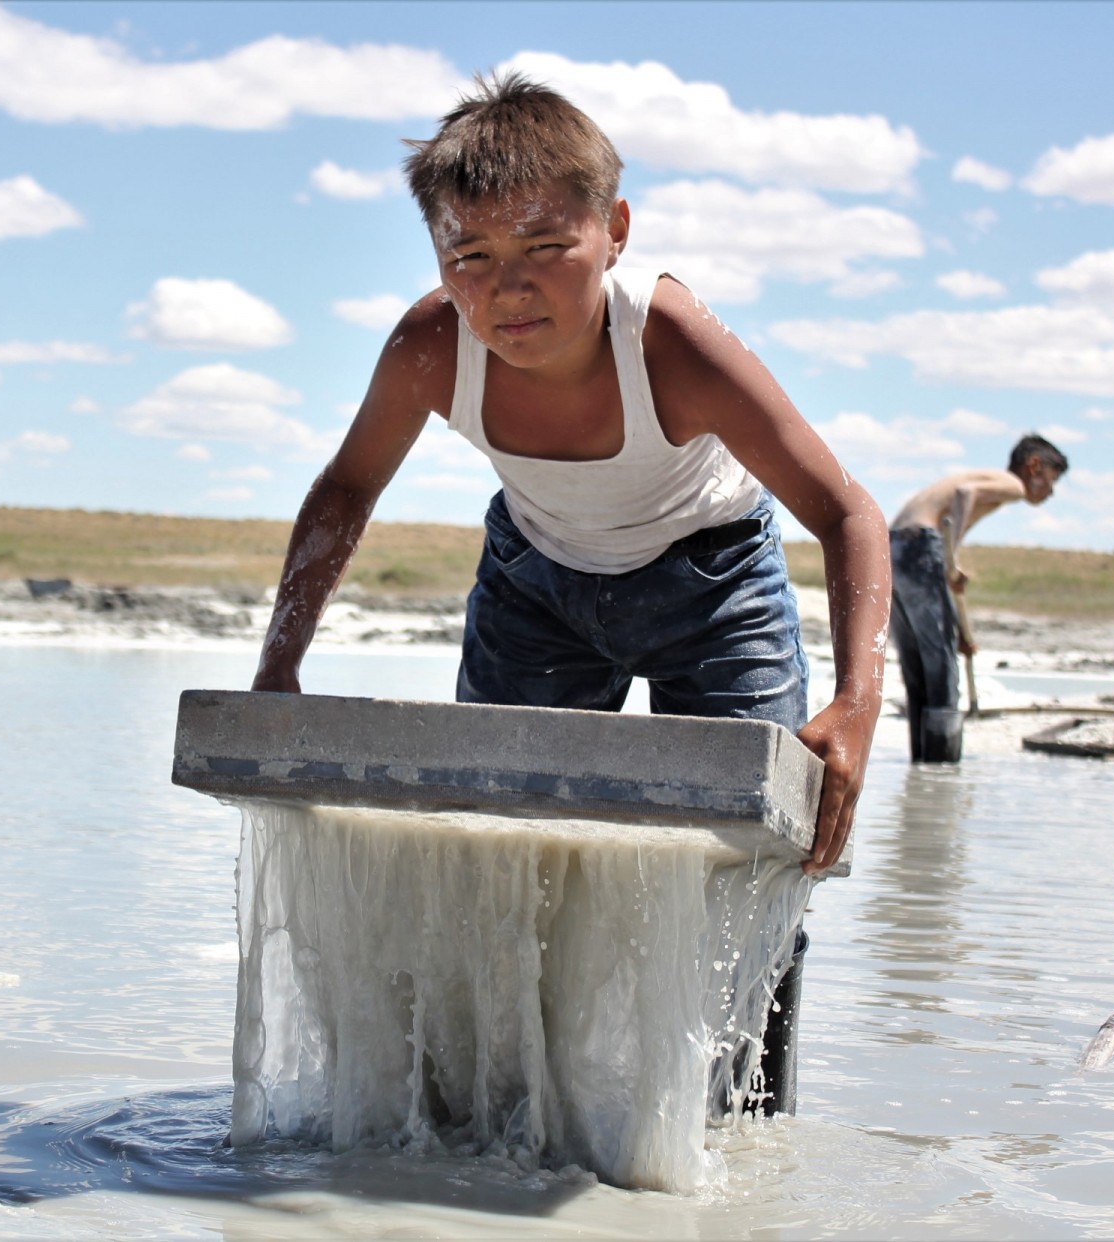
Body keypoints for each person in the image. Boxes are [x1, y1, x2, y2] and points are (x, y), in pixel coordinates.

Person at [250, 73, 890, 877]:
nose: (508, 288)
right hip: (537, 586)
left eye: (546, 247)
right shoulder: (433, 346)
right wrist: (280, 661)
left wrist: (858, 704)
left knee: (757, 861)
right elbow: (348, 487)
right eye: (470, 255)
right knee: (495, 853)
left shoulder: (671, 344)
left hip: (712, 584)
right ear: (439, 257)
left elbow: (847, 514)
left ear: (615, 230)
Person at [885, 435, 1067, 763]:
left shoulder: (985, 476)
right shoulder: (1013, 484)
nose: (1049, 493)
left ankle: (922, 765)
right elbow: (965, 496)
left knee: (918, 667)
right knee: (941, 668)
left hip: (893, 547)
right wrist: (950, 557)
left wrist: (946, 572)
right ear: (1034, 466)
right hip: (919, 546)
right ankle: (941, 767)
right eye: (1051, 482)